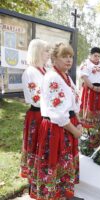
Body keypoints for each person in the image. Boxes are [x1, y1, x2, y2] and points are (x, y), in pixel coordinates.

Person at [31, 43, 82, 199]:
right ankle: (54, 195)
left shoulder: (65, 76)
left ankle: (65, 194)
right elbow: (58, 113)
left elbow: (73, 102)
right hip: (58, 127)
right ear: (54, 58)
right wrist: (75, 130)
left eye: (71, 56)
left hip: (68, 125)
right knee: (57, 160)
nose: (69, 60)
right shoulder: (53, 77)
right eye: (64, 56)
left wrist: (78, 121)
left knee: (64, 162)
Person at [20, 39, 50, 185]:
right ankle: (35, 180)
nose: (48, 54)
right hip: (38, 114)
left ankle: (43, 177)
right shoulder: (30, 72)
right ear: (38, 52)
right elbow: (36, 98)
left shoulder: (45, 70)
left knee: (44, 147)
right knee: (35, 146)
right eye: (46, 51)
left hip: (46, 114)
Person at [79, 47, 100, 128]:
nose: (97, 58)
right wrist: (93, 87)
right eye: (95, 56)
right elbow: (84, 77)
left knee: (99, 108)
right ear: (90, 55)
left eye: (99, 56)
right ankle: (86, 128)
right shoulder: (86, 63)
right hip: (89, 89)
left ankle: (96, 127)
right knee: (88, 107)